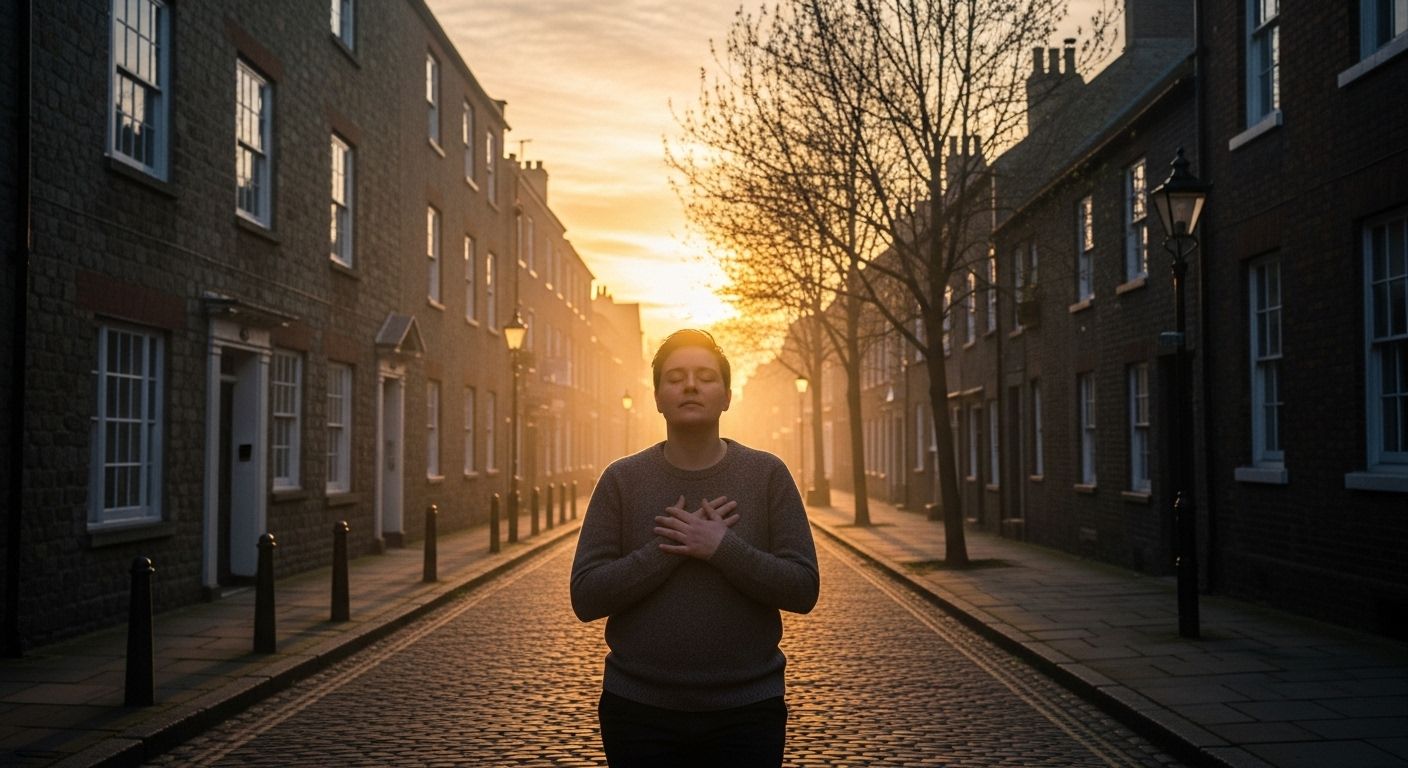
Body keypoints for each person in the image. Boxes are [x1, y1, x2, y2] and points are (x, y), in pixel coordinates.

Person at [570, 328, 820, 767]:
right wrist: (666, 548)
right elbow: (586, 595)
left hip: (747, 711)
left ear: (726, 396)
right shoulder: (622, 480)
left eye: (705, 376)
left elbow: (803, 588)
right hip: (639, 712)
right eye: (676, 377)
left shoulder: (767, 475)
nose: (690, 385)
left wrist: (723, 547)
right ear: (657, 397)